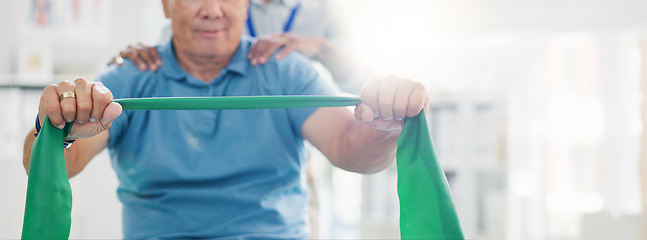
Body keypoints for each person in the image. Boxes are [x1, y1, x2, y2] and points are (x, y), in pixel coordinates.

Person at [22, 0, 428, 238]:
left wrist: (386, 126)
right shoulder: (125, 79)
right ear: (165, 3)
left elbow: (350, 148)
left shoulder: (287, 72)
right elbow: (48, 163)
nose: (213, 10)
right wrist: (55, 128)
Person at [112, 0, 369, 94]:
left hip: (296, 135)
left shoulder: (323, 11)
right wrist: (128, 63)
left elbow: (358, 84)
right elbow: (170, 56)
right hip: (231, 135)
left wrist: (321, 49)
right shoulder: (215, 8)